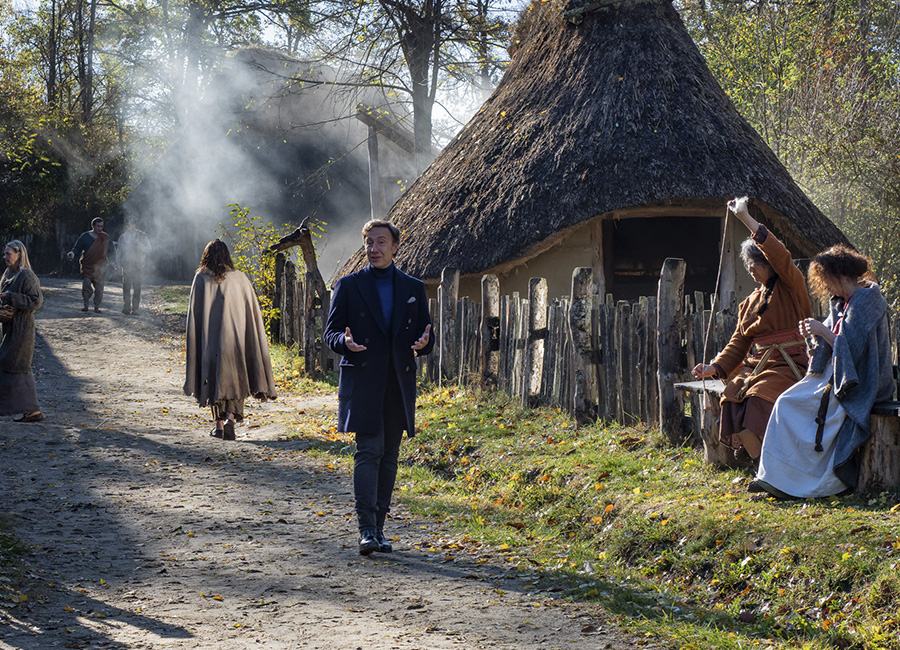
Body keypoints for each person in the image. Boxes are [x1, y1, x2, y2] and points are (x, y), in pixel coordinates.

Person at [324, 219, 434, 555]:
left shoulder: (414, 288)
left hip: (398, 383)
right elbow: (330, 335)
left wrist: (424, 344)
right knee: (369, 451)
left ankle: (381, 530)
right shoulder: (349, 286)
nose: (374, 249)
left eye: (381, 242)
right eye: (369, 242)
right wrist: (344, 341)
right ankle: (367, 530)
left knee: (390, 455)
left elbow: (425, 338)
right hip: (364, 380)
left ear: (395, 246)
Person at [751, 246, 894, 498]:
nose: (825, 286)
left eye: (826, 279)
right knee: (786, 403)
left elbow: (852, 348)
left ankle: (812, 481)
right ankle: (776, 477)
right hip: (838, 373)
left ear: (840, 275)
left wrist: (821, 330)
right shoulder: (842, 302)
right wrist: (812, 336)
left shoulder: (865, 302)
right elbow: (831, 341)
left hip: (860, 380)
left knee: (794, 406)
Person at [692, 197, 813, 463]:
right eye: (746, 265)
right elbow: (738, 342)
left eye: (754, 264)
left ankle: (778, 467)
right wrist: (713, 367)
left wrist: (744, 217)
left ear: (769, 265)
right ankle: (763, 468)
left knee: (758, 399)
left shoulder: (792, 286)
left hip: (789, 365)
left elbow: (780, 255)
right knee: (731, 397)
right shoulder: (749, 303)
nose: (750, 270)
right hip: (756, 366)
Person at [183, 239, 277, 440]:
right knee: (234, 380)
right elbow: (250, 313)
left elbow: (195, 314)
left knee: (214, 379)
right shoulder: (240, 278)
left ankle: (218, 426)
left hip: (210, 343)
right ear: (227, 255)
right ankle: (230, 420)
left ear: (206, 255)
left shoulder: (201, 277)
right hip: (235, 342)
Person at [0, 240, 44, 423]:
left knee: (18, 365)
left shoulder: (26, 275)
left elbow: (36, 301)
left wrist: (11, 297)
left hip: (22, 328)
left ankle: (33, 410)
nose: (5, 257)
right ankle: (27, 410)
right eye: (4, 254)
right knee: (9, 363)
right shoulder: (9, 274)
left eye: (8, 254)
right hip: (9, 327)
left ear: (19, 254)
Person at [67, 217, 114, 313]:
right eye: (98, 226)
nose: (100, 228)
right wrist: (72, 253)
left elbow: (111, 251)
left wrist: (111, 262)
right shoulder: (85, 236)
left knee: (99, 289)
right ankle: (86, 304)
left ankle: (97, 307)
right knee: (86, 284)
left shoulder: (105, 237)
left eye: (102, 226)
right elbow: (77, 248)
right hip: (88, 266)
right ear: (93, 226)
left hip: (101, 268)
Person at [116, 217, 152, 315]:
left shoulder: (142, 236)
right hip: (127, 265)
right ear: (126, 225)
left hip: (138, 265)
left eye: (133, 224)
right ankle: (126, 308)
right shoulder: (123, 237)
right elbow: (119, 252)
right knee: (126, 287)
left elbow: (149, 249)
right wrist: (118, 265)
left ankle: (135, 309)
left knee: (137, 288)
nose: (131, 226)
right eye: (129, 224)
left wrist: (139, 245)